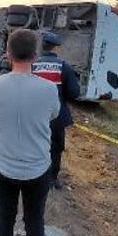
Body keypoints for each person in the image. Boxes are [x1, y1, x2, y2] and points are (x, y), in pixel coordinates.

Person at [0, 29, 60, 236]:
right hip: (38, 168)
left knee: (5, 218)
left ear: (8, 54)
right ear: (35, 56)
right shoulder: (49, 89)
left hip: (3, 165)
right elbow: (53, 115)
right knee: (35, 223)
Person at [32, 31, 81, 190]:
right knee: (55, 147)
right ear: (56, 48)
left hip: (34, 115)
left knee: (34, 143)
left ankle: (33, 173)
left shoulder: (33, 64)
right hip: (56, 116)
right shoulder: (64, 66)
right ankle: (51, 178)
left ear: (43, 46)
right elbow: (74, 93)